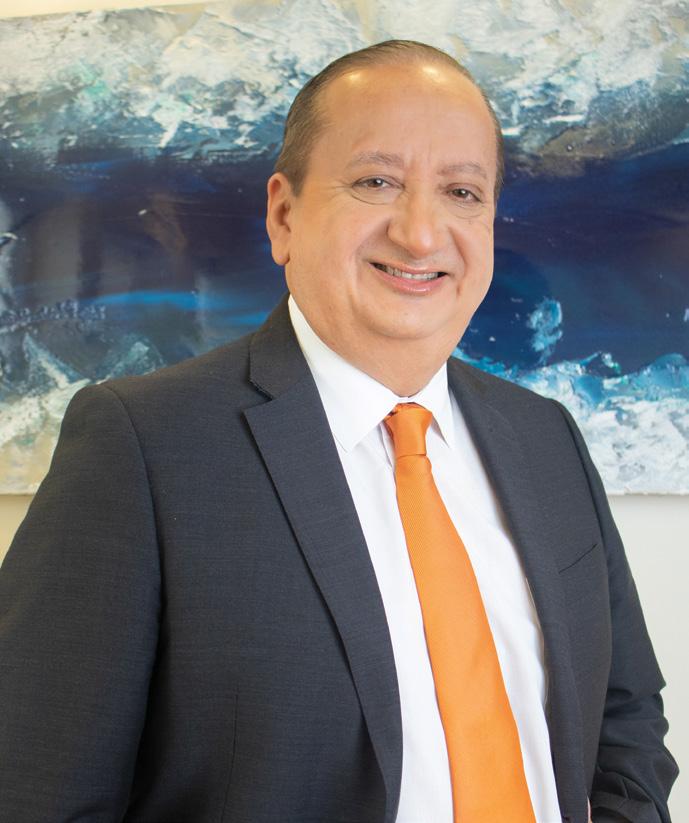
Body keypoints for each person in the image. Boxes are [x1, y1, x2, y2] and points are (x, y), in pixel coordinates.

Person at [0, 40, 677, 823]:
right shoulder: (142, 446)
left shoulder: (545, 436)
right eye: (375, 181)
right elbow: (35, 792)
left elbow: (626, 718)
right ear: (284, 215)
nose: (420, 233)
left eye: (461, 191)